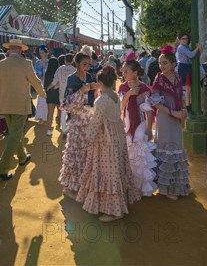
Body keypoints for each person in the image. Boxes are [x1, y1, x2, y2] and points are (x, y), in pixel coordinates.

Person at [71, 66, 141, 222]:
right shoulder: (115, 95)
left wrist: (87, 139)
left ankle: (114, 211)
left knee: (109, 173)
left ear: (100, 82)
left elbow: (96, 124)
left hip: (106, 141)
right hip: (118, 137)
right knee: (117, 169)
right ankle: (117, 206)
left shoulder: (101, 100)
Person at [0, 40, 45, 179]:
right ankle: (1, 168)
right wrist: (44, 95)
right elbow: (35, 82)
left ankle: (22, 156)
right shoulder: (26, 64)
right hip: (21, 105)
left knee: (15, 133)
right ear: (21, 50)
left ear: (9, 50)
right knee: (15, 134)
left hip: (4, 105)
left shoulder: (1, 65)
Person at [151, 46, 190, 200]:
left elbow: (181, 96)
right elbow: (155, 102)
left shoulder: (178, 77)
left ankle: (177, 186)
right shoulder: (159, 79)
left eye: (165, 63)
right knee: (166, 147)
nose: (162, 66)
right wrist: (173, 113)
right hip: (165, 118)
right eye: (161, 63)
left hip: (177, 117)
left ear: (174, 64)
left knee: (176, 147)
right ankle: (165, 189)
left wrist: (184, 110)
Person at [118, 59, 157, 196]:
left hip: (140, 124)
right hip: (127, 124)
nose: (123, 73)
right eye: (122, 70)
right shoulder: (123, 87)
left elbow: (149, 111)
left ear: (135, 73)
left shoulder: (145, 88)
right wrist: (129, 94)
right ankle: (131, 185)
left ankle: (142, 187)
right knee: (128, 152)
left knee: (140, 152)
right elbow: (121, 106)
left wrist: (149, 128)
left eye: (126, 71)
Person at [60, 52, 96, 196]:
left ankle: (85, 185)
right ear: (77, 64)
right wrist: (82, 90)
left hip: (90, 120)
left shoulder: (91, 78)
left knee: (88, 154)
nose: (87, 67)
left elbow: (94, 101)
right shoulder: (72, 79)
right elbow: (66, 104)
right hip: (76, 121)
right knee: (75, 154)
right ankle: (71, 187)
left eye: (89, 64)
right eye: (84, 64)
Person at [48, 53, 76, 135]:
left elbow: (54, 82)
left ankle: (64, 130)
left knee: (63, 113)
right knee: (72, 113)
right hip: (73, 95)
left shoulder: (60, 69)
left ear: (64, 60)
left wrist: (48, 87)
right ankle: (72, 130)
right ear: (72, 60)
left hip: (62, 95)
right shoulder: (75, 70)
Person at [175, 32, 203, 111]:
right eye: (183, 39)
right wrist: (197, 48)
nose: (185, 40)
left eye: (186, 38)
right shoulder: (181, 47)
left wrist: (198, 49)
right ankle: (188, 107)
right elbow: (191, 55)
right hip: (184, 68)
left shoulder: (186, 46)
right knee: (188, 89)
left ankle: (190, 105)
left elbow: (194, 55)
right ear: (179, 40)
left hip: (188, 67)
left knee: (190, 89)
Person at [43, 57, 60, 136]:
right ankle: (59, 124)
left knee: (50, 113)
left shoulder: (47, 72)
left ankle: (49, 130)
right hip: (58, 94)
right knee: (59, 111)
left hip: (50, 94)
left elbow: (45, 85)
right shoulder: (59, 72)